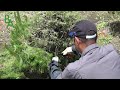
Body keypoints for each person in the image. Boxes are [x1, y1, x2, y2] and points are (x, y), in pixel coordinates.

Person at [49, 20, 120, 79]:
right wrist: (72, 48)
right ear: (96, 37)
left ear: (77, 40)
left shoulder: (73, 69)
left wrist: (54, 63)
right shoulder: (112, 51)